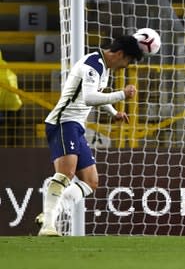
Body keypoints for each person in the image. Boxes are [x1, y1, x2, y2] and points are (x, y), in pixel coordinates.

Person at [37, 35, 143, 236]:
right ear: (120, 54)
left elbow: (98, 95)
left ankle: (51, 212)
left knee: (90, 181)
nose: (126, 66)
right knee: (65, 174)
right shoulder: (92, 64)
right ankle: (48, 225)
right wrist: (122, 94)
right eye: (128, 61)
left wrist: (114, 113)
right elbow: (89, 98)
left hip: (76, 126)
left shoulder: (103, 67)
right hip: (63, 122)